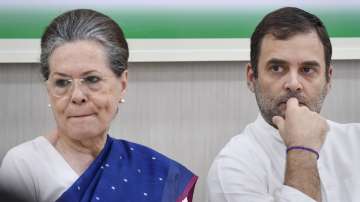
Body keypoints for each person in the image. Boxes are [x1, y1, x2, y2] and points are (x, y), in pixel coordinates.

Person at [0, 9, 197, 202]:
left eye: (92, 79)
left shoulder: (157, 172)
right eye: (62, 82)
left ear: (122, 84)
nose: (77, 96)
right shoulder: (25, 166)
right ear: (49, 89)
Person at [207, 7, 360, 202]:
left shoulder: (356, 143)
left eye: (307, 69)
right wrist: (302, 150)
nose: (294, 84)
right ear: (252, 78)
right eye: (277, 68)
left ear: (328, 79)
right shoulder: (233, 166)